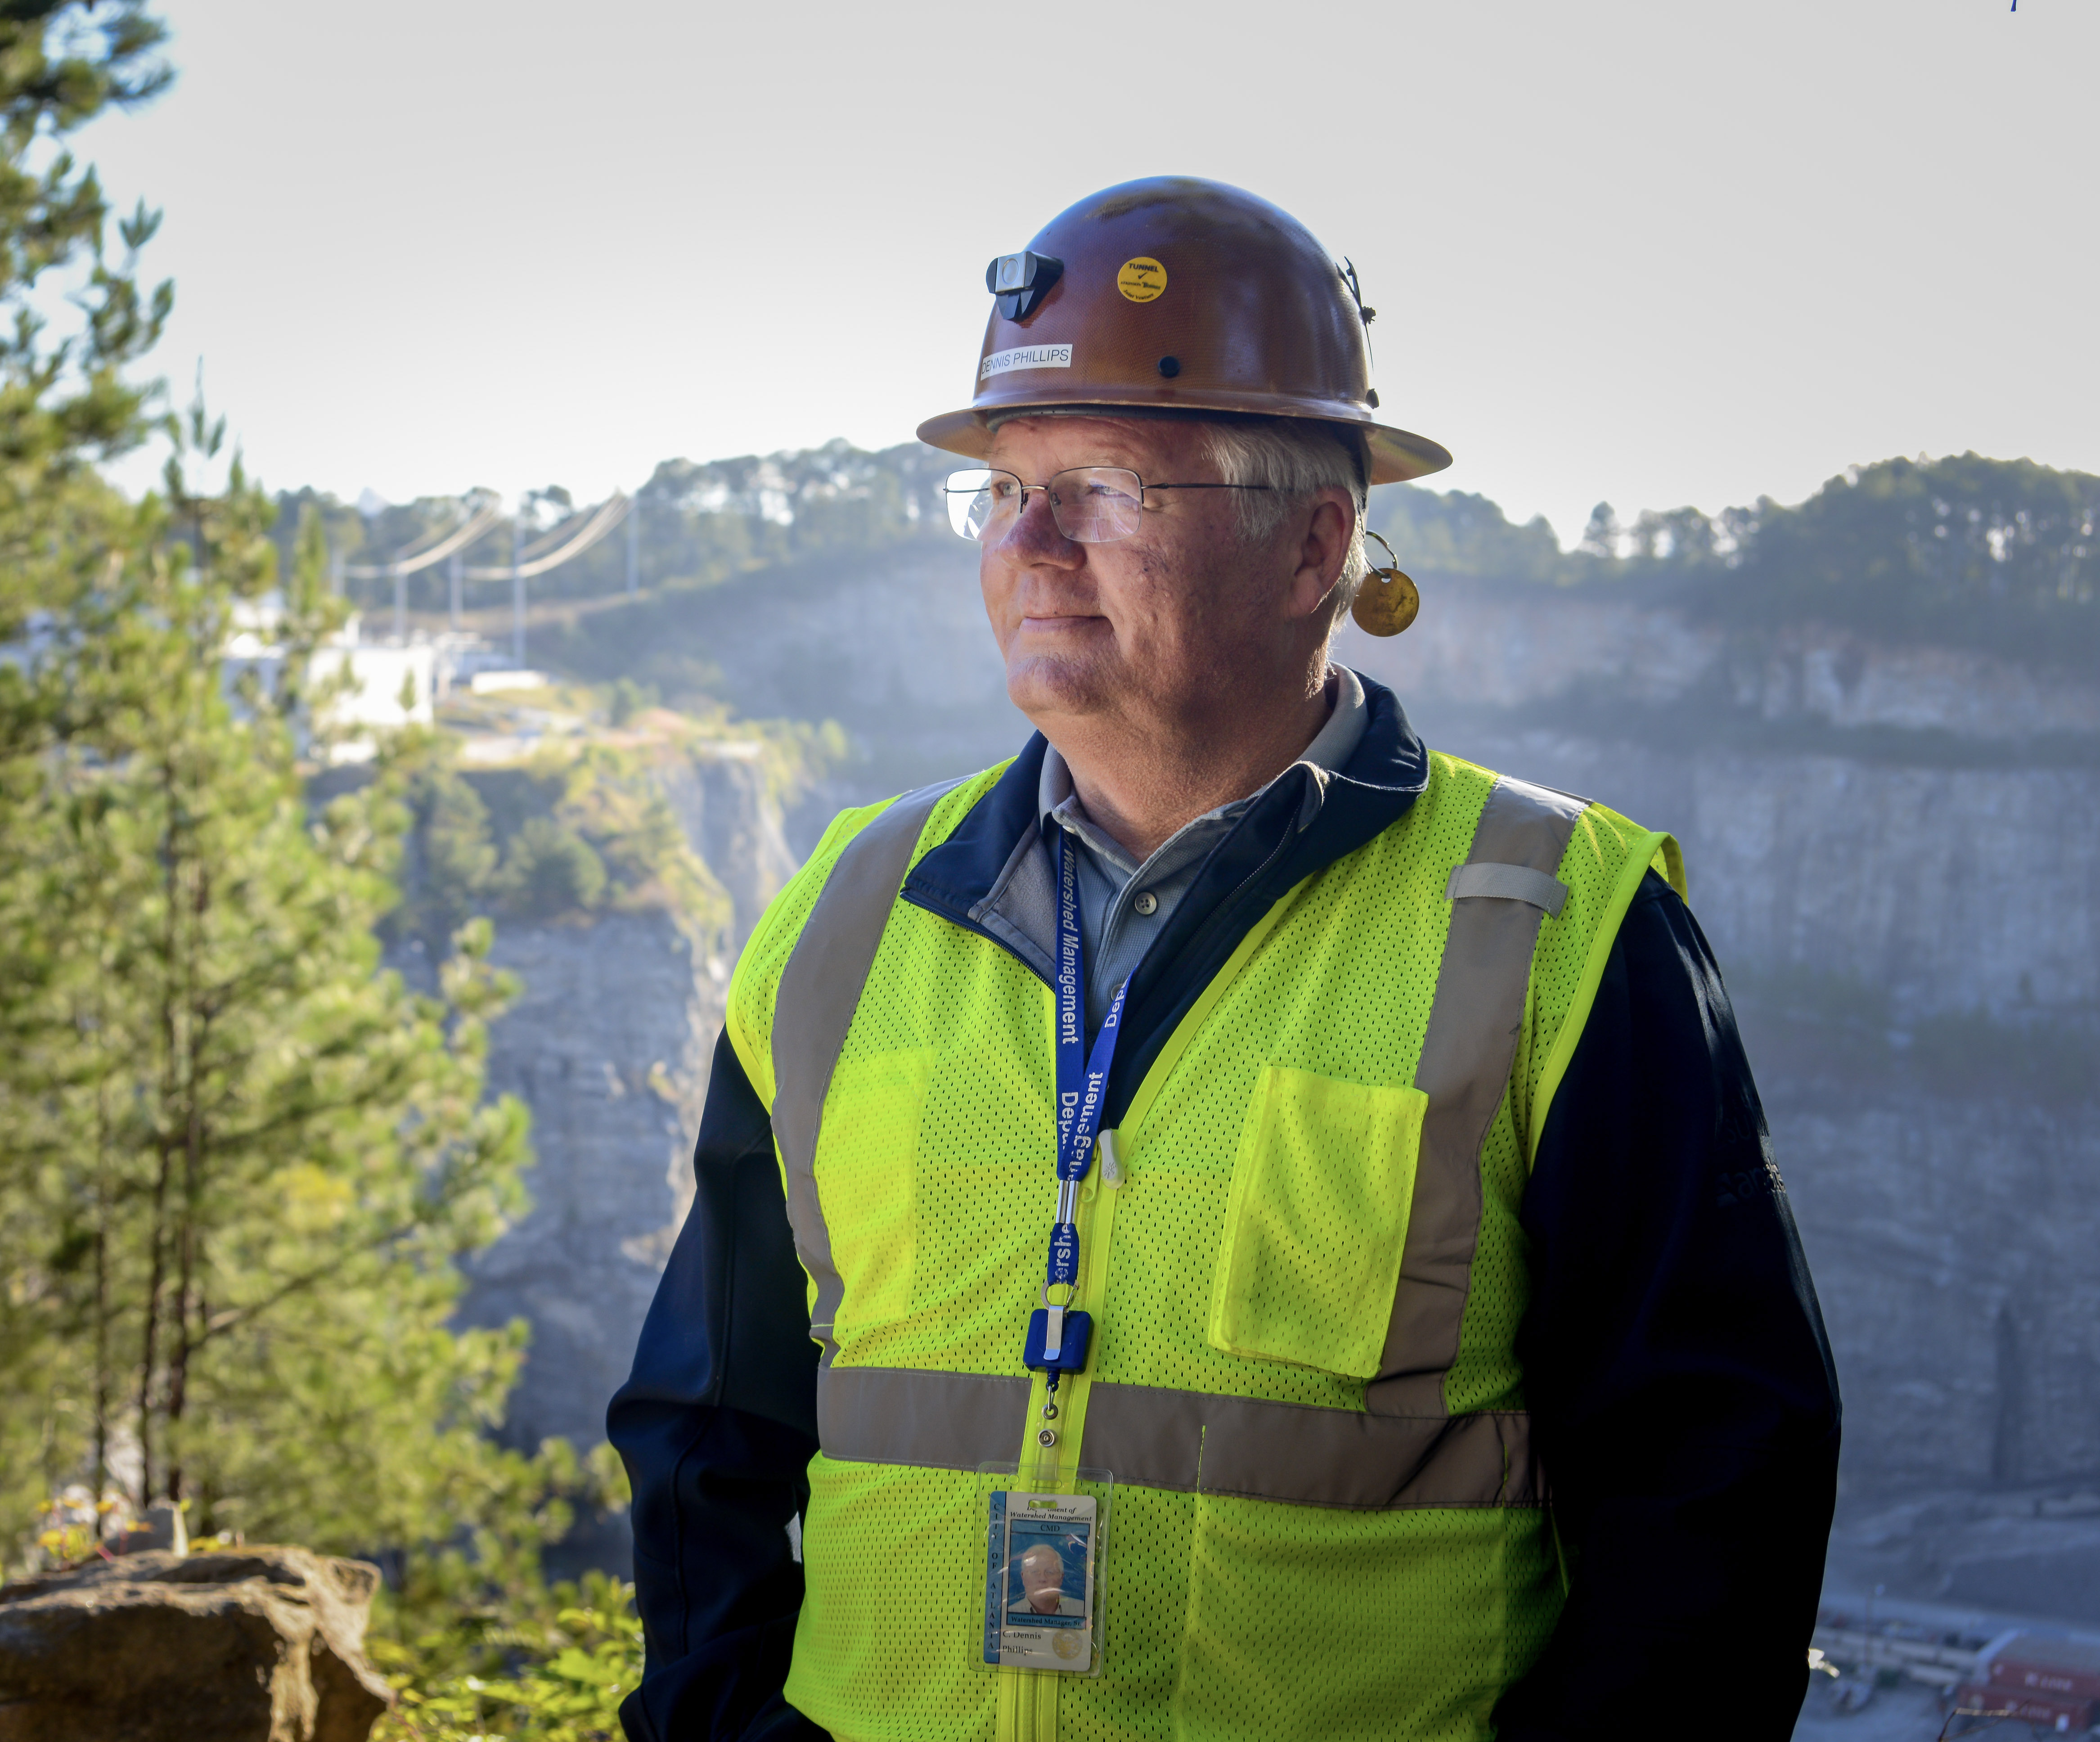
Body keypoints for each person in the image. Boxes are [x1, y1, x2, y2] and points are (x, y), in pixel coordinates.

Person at [607, 176, 1839, 1742]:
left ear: (1312, 540)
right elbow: (705, 1429)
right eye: (1003, 492)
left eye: (1110, 483)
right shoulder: (843, 914)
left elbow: (1715, 1495)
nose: (1031, 545)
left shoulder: (1559, 927)